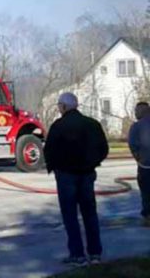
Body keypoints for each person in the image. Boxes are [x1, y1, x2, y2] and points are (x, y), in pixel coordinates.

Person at [43, 92, 109, 266]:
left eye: (59, 105)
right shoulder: (92, 124)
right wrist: (93, 163)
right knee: (90, 214)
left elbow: (49, 150)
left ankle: (77, 254)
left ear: (63, 107)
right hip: (87, 174)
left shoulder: (58, 126)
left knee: (70, 216)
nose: (58, 108)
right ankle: (95, 253)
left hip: (66, 176)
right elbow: (103, 148)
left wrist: (54, 168)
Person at [128, 101, 150, 226]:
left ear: (143, 110)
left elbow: (133, 145)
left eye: (136, 111)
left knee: (146, 192)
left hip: (145, 166)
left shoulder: (136, 126)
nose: (135, 113)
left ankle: (147, 217)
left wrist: (139, 159)